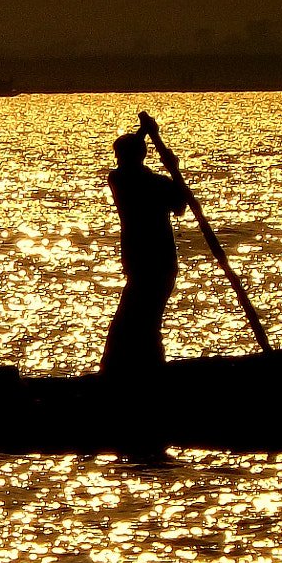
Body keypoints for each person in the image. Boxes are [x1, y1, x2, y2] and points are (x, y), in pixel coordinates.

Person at [101, 119, 189, 380]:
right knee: (133, 324)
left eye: (121, 156)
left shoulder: (142, 181)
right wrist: (171, 168)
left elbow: (180, 205)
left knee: (142, 323)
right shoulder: (124, 179)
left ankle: (144, 374)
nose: (117, 161)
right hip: (143, 263)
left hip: (157, 264)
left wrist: (171, 168)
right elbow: (178, 200)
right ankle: (137, 373)